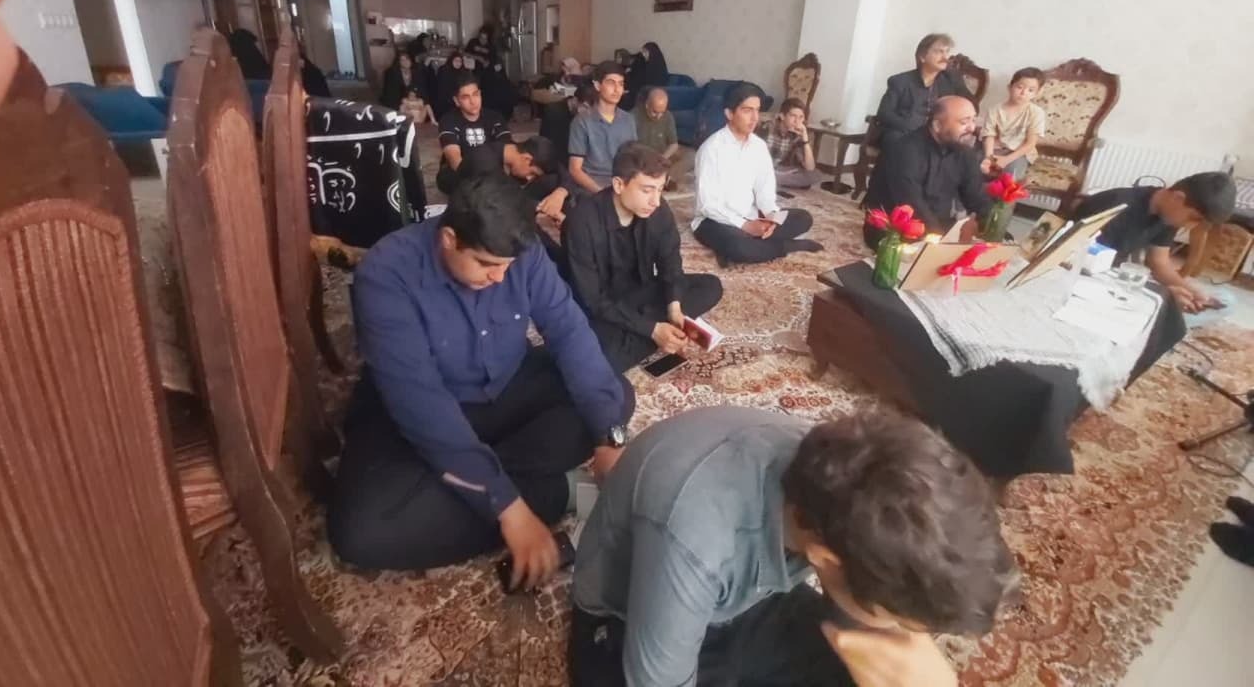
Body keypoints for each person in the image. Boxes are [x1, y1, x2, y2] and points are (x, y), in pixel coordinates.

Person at [569, 405, 1017, 687]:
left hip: (748, 600)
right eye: (899, 621)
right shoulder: (696, 540)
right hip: (626, 616)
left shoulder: (838, 472)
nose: (903, 635)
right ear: (825, 559)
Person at [328, 174, 635, 580]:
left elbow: (568, 330)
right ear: (449, 239)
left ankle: (460, 481)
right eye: (487, 265)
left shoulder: (523, 252)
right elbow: (421, 404)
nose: (499, 278)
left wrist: (609, 439)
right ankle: (555, 491)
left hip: (506, 387)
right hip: (426, 407)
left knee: (613, 397)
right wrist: (508, 507)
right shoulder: (386, 274)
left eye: (508, 266)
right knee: (361, 534)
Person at [563, 143, 723, 372]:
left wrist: (674, 306)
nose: (655, 201)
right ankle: (648, 336)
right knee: (597, 364)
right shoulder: (582, 221)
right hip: (603, 309)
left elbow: (671, 263)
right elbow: (593, 300)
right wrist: (652, 329)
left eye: (660, 189)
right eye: (647, 190)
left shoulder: (658, 210)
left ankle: (642, 336)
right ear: (619, 185)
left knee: (710, 285)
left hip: (641, 292)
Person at [693, 83, 821, 266]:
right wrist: (744, 225)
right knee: (739, 246)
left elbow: (765, 190)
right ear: (729, 114)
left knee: (803, 218)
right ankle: (786, 246)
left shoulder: (759, 146)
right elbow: (708, 205)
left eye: (757, 110)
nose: (754, 118)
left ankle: (747, 246)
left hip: (751, 215)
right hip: (715, 220)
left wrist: (771, 216)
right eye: (747, 110)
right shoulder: (711, 149)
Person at [1072, 171, 1236, 312]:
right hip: (1085, 277)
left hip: (1113, 279)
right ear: (1178, 197)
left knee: (1227, 300)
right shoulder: (1117, 205)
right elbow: (1087, 266)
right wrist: (1161, 295)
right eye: (1194, 218)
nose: (1191, 226)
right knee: (1163, 308)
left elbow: (1159, 263)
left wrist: (1193, 292)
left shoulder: (1168, 215)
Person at [863, 95, 988, 249]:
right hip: (896, 229)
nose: (972, 128)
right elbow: (911, 203)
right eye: (964, 122)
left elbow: (975, 197)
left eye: (973, 120)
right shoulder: (904, 150)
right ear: (937, 125)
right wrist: (941, 242)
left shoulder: (964, 153)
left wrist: (991, 225)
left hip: (939, 225)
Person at [874, 33, 973, 150]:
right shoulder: (900, 81)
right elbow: (884, 113)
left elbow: (972, 105)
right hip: (904, 133)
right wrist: (909, 126)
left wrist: (954, 75)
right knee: (901, 144)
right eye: (939, 52)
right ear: (922, 57)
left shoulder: (950, 81)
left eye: (947, 52)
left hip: (935, 137)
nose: (945, 57)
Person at [437, 71, 512, 195]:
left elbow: (508, 151)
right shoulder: (448, 120)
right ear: (456, 101)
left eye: (475, 94)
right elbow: (454, 158)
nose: (473, 101)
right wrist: (478, 182)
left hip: (492, 170)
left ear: (480, 94)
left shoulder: (495, 118)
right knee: (449, 179)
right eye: (465, 97)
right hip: (461, 173)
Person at [569, 60, 639, 193]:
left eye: (621, 84)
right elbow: (575, 170)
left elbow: (633, 158)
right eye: (611, 82)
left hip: (621, 185)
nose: (617, 89)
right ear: (597, 85)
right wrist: (601, 193)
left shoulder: (628, 120)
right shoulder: (582, 122)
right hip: (592, 187)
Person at [982, 68, 1046, 180]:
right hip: (995, 149)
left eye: (1030, 90)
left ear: (1037, 93)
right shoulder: (994, 110)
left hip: (1019, 153)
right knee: (976, 166)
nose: (1023, 93)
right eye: (1019, 87)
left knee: (1010, 175)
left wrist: (1006, 160)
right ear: (1010, 87)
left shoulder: (1036, 113)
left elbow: (1030, 143)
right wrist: (989, 157)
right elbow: (989, 135)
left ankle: (1003, 191)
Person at [763, 98, 818, 190]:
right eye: (793, 116)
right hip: (760, 168)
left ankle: (772, 180)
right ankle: (769, 180)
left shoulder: (796, 135)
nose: (797, 121)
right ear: (782, 116)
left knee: (813, 175)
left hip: (777, 170)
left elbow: (810, 167)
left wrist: (805, 139)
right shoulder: (767, 127)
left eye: (801, 117)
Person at [633, 87, 683, 185]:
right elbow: (630, 148)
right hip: (642, 159)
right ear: (647, 105)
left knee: (691, 156)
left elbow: (673, 144)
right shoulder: (632, 117)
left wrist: (662, 158)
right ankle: (661, 179)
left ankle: (666, 177)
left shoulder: (668, 116)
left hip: (662, 157)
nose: (658, 116)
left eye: (662, 112)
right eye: (655, 112)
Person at [620, 40, 669, 111]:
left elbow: (649, 85)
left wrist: (631, 90)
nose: (643, 54)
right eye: (643, 52)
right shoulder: (642, 63)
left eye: (646, 52)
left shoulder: (658, 67)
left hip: (647, 94)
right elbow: (635, 78)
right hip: (635, 91)